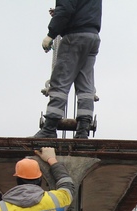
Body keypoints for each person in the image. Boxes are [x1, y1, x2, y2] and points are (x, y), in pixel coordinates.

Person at [34, 0, 102, 139]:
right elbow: (82, 10)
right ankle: (83, 130)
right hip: (92, 37)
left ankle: (49, 128)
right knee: (85, 85)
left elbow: (65, 9)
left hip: (75, 37)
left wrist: (51, 34)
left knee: (60, 82)